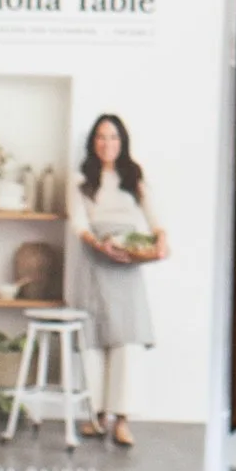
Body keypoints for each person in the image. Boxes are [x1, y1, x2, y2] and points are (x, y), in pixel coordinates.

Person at [70, 112, 163, 448]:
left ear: (122, 143)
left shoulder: (133, 176)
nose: (106, 143)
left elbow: (155, 218)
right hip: (95, 261)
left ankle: (122, 420)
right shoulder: (82, 180)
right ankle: (98, 418)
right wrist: (100, 245)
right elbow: (79, 223)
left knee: (127, 341)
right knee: (94, 341)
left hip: (128, 262)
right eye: (100, 137)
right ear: (92, 142)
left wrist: (160, 242)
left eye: (112, 137)